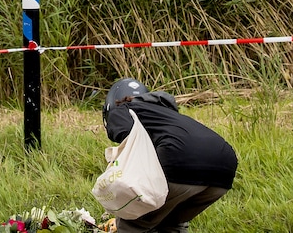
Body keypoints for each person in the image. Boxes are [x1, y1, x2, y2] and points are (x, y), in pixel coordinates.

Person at [101, 78, 238, 233]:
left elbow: (130, 139)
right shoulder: (165, 115)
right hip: (224, 169)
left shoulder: (121, 110)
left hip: (179, 163)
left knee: (132, 222)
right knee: (169, 223)